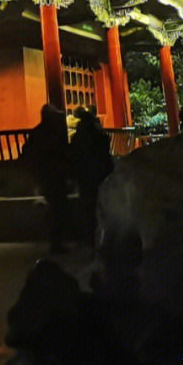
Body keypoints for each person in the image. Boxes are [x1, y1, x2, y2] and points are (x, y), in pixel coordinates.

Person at [25, 102, 70, 253]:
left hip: (46, 178)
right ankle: (56, 242)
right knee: (58, 211)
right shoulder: (54, 133)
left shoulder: (37, 133)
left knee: (55, 211)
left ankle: (55, 241)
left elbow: (29, 155)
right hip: (55, 178)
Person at [71, 107, 114, 248]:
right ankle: (103, 238)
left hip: (84, 177)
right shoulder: (100, 136)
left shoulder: (77, 138)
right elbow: (106, 154)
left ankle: (90, 239)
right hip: (100, 175)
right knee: (101, 207)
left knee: (88, 208)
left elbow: (73, 157)